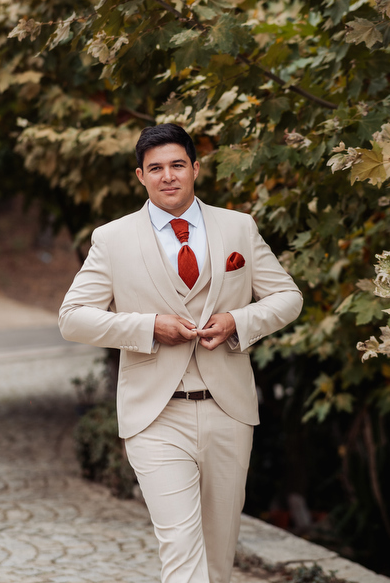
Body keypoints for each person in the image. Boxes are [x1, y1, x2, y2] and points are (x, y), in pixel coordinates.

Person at [59, 123, 303, 583]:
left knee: (218, 557)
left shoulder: (238, 227)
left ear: (195, 168)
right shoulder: (112, 238)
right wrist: (148, 327)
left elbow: (288, 297)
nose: (167, 176)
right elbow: (72, 318)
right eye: (155, 168)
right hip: (156, 415)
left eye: (177, 165)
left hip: (229, 411)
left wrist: (238, 322)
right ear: (140, 176)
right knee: (181, 550)